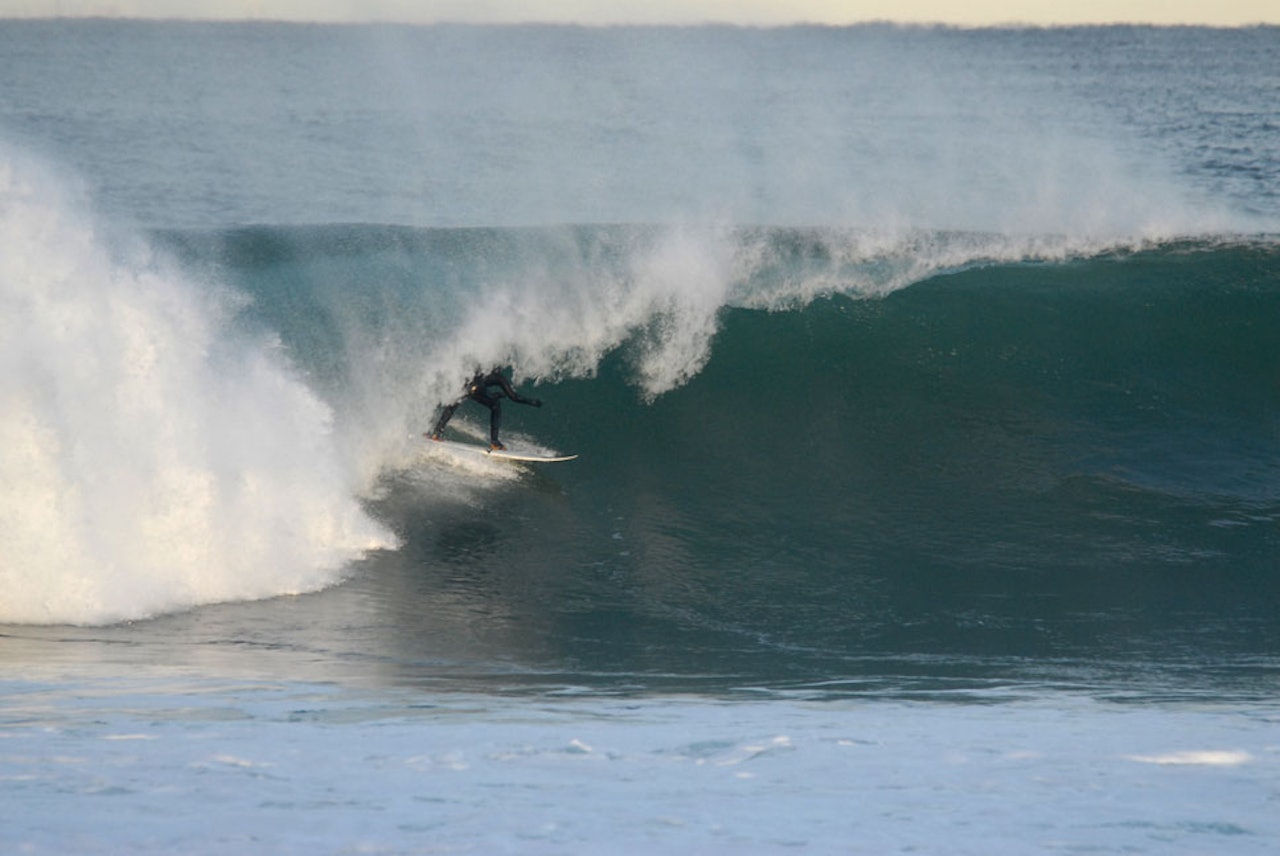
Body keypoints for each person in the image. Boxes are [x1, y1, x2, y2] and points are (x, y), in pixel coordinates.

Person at [428, 367, 542, 450]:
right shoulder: (499, 377)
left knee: (452, 405)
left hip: (465, 385)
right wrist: (532, 402)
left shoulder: (482, 367)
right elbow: (514, 397)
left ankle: (436, 433)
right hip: (477, 389)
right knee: (496, 405)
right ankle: (495, 442)